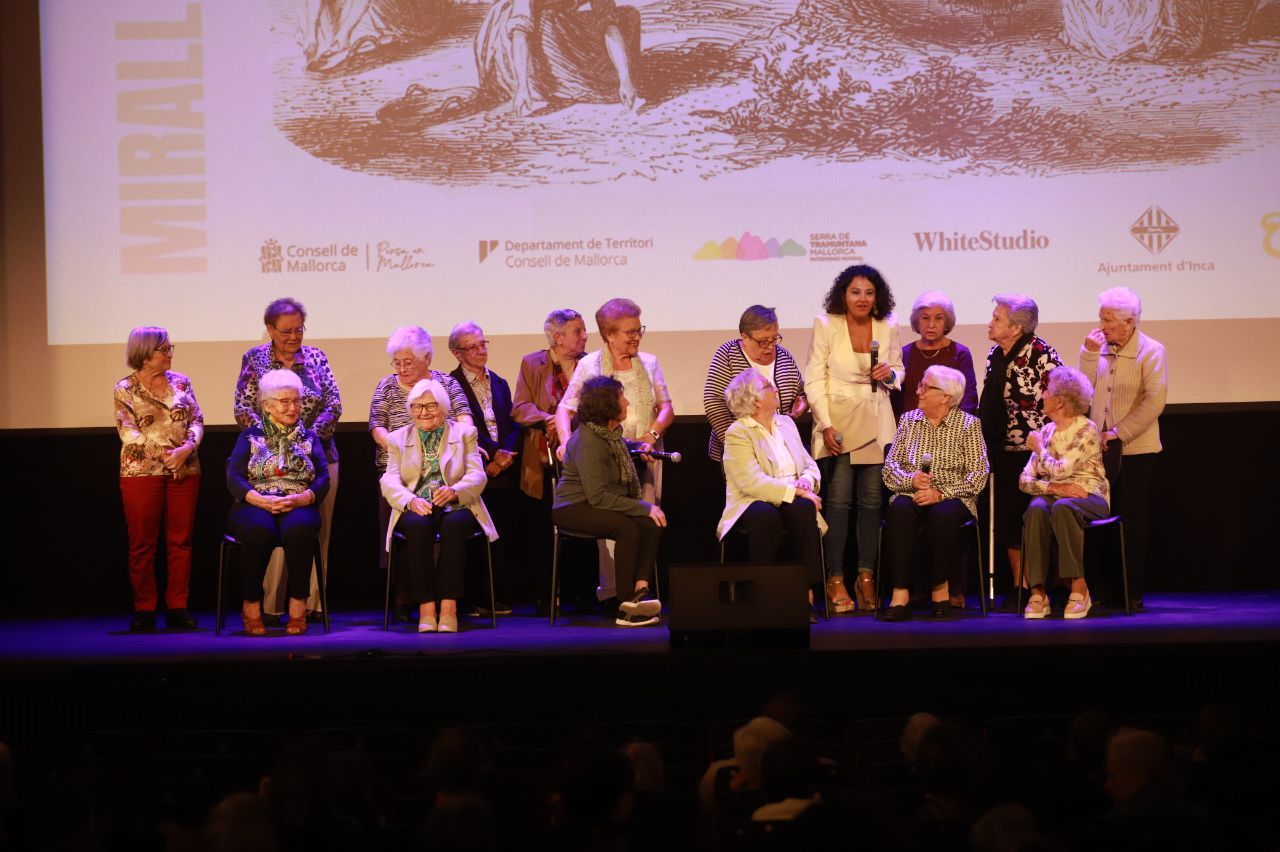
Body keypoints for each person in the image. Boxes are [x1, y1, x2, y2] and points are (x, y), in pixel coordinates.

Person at [556, 298, 673, 603]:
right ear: (608, 334)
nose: (636, 337)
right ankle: (612, 593)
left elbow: (666, 407)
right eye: (628, 332)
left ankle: (640, 587)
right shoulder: (590, 365)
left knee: (647, 519)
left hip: (642, 454)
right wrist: (567, 442)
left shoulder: (648, 362)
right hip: (601, 453)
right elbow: (565, 409)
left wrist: (651, 434)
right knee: (614, 523)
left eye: (638, 330)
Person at [234, 297, 342, 620]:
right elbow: (243, 408)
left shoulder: (316, 357)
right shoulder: (254, 359)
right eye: (286, 331)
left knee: (311, 532)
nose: (294, 337)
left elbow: (333, 405)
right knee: (268, 528)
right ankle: (270, 606)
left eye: (299, 329)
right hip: (265, 467)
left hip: (318, 457)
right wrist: (274, 439)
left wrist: (302, 441)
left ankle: (309, 605)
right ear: (270, 329)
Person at [804, 264, 902, 613]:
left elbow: (898, 370)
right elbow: (814, 378)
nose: (862, 298)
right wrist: (826, 425)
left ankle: (866, 575)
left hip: (876, 419)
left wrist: (890, 373)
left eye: (869, 292)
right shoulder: (826, 324)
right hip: (838, 420)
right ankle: (834, 577)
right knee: (840, 502)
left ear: (877, 297)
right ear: (843, 295)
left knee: (873, 502)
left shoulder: (887, 326)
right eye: (855, 292)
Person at [369, 326, 472, 620]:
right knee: (409, 530)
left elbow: (463, 416)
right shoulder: (387, 386)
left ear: (426, 358)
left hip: (445, 474)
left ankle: (448, 600)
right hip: (400, 473)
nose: (401, 369)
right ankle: (405, 599)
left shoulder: (445, 383)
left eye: (408, 362)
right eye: (397, 363)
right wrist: (399, 447)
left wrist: (465, 442)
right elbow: (376, 423)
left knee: (450, 529)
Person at [380, 379, 498, 633]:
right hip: (417, 504)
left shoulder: (465, 433)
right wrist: (410, 500)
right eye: (417, 407)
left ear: (444, 407)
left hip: (456, 504)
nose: (423, 412)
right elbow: (389, 479)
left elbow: (478, 475)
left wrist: (455, 491)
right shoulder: (398, 438)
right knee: (417, 527)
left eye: (430, 406)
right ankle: (426, 607)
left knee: (454, 527)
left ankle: (448, 607)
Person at [552, 375, 666, 627]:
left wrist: (637, 446)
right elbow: (597, 496)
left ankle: (639, 590)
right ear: (608, 406)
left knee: (651, 523)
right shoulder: (588, 441)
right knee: (627, 527)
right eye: (622, 398)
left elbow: (619, 447)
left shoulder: (609, 434)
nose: (627, 403)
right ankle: (624, 606)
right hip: (572, 507)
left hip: (591, 503)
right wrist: (642, 506)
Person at [1079, 287, 1166, 610]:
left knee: (1131, 523)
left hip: (1136, 451)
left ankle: (1129, 591)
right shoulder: (1095, 347)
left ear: (1130, 322)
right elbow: (1082, 393)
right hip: (1096, 453)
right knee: (1098, 521)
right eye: (1101, 318)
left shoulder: (1152, 351)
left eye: (1109, 320)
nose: (1102, 325)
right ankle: (1100, 592)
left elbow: (1154, 400)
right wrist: (1088, 355)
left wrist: (1119, 432)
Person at [881, 365, 990, 621]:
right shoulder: (909, 420)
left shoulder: (968, 425)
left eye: (926, 386)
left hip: (953, 497)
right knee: (899, 511)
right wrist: (911, 479)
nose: (919, 390)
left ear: (946, 397)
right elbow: (890, 468)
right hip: (912, 493)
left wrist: (941, 493)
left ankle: (940, 588)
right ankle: (900, 592)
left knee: (941, 516)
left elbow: (978, 473)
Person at [226, 370, 330, 636]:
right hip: (255, 503)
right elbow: (234, 475)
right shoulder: (249, 436)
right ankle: (251, 605)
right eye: (285, 401)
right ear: (267, 405)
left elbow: (323, 477)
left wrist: (304, 497)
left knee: (298, 531)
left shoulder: (309, 437)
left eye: (296, 401)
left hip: (298, 503)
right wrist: (258, 499)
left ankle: (297, 606)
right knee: (259, 532)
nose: (293, 407)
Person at [114, 326, 203, 632]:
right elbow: (129, 432)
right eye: (163, 349)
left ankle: (178, 607)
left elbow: (197, 421)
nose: (169, 354)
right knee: (142, 543)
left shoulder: (182, 382)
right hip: (142, 472)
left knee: (181, 540)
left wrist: (188, 448)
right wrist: (167, 454)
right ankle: (145, 609)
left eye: (169, 348)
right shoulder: (125, 388)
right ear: (144, 353)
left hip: (185, 469)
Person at [717, 370, 826, 609]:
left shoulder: (785, 423)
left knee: (804, 510)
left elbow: (808, 463)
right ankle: (763, 593)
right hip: (751, 499)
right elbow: (751, 482)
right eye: (768, 386)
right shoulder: (738, 432)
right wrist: (795, 491)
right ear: (755, 400)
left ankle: (805, 593)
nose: (775, 388)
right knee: (765, 517)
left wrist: (806, 481)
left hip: (793, 494)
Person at [978, 293, 1062, 599]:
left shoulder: (1042, 354)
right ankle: (1020, 585)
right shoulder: (995, 355)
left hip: (1037, 453)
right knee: (1008, 519)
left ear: (1016, 328)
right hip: (1003, 450)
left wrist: (1043, 444)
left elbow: (1060, 403)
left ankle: (1042, 584)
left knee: (1035, 519)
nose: (990, 322)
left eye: (997, 318)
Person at [1018, 366, 1110, 620]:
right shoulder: (1046, 432)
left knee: (1063, 507)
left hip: (1089, 495)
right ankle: (1038, 591)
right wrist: (1052, 488)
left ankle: (1078, 585)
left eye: (1046, 391)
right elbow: (1024, 481)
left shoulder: (1086, 429)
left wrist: (1040, 451)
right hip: (1057, 494)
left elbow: (1060, 470)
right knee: (1036, 508)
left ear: (1059, 401)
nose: (1042, 395)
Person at [449, 322, 520, 616]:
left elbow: (514, 421)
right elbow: (461, 426)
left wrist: (506, 454)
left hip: (503, 468)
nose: (480, 351)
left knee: (498, 535)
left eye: (482, 344)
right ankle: (471, 598)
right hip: (471, 468)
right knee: (471, 537)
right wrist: (492, 453)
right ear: (456, 353)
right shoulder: (450, 384)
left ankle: (493, 596)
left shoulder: (500, 382)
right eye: (471, 347)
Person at [475, 0, 641, 115]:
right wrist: (522, 87)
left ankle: (574, 77)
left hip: (561, 20)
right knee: (549, 25)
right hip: (527, 34)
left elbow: (608, 23)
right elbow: (520, 31)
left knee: (629, 17)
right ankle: (547, 84)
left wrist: (624, 78)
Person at [703, 305, 807, 463]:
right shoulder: (727, 355)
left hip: (781, 451)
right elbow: (714, 402)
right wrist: (738, 445)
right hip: (740, 454)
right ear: (745, 337)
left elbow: (801, 393)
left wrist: (800, 407)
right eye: (763, 342)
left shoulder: (784, 356)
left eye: (774, 339)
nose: (770, 347)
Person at [512, 308, 589, 500]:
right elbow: (520, 407)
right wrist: (550, 419)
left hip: (584, 448)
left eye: (584, 331)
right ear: (558, 338)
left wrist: (567, 418)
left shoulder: (590, 363)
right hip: (544, 450)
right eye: (578, 331)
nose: (585, 336)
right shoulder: (532, 363)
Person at [898, 290, 978, 417]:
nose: (931, 325)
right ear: (917, 321)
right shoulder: (904, 353)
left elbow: (969, 399)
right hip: (910, 430)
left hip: (949, 431)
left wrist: (956, 430)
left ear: (947, 323)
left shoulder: (960, 353)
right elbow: (897, 400)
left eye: (938, 318)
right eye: (925, 318)